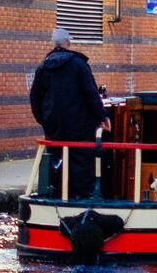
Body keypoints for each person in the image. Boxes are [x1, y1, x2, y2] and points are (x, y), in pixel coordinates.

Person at [30, 29, 110, 199]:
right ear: (68, 42)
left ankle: (57, 194)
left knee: (56, 159)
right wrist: (103, 116)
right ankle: (81, 199)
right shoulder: (79, 64)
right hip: (79, 125)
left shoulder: (43, 67)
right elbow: (91, 94)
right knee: (81, 160)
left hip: (53, 126)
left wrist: (44, 119)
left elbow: (35, 97)